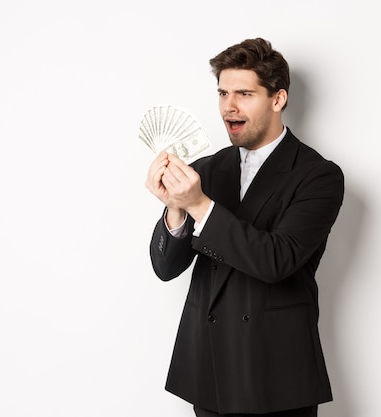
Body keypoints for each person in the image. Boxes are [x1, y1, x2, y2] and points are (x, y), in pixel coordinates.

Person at [145, 38, 344, 417]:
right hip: (209, 369)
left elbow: (276, 260)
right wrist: (175, 209)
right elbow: (166, 268)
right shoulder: (206, 169)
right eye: (222, 93)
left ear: (277, 99)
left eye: (244, 93)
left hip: (275, 373)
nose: (228, 106)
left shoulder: (318, 176)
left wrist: (199, 205)